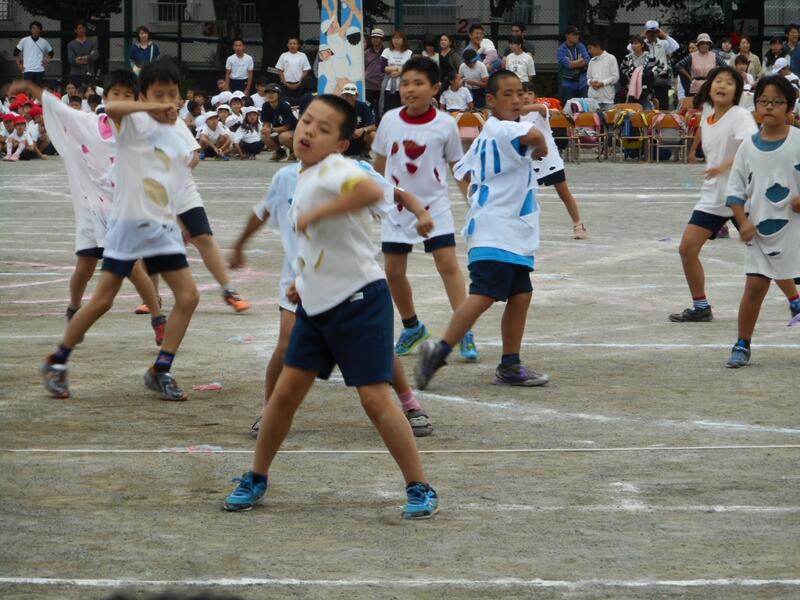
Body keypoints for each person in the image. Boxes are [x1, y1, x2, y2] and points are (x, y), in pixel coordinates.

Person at [222, 94, 439, 519]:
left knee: (375, 399)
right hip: (317, 305)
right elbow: (318, 246)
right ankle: (256, 476)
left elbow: (370, 190)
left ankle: (420, 486)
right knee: (284, 395)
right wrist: (302, 282)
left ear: (341, 144)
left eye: (323, 129)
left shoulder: (338, 170)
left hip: (361, 302)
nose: (308, 131)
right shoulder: (297, 176)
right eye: (306, 121)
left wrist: (320, 214)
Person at [230, 161, 435, 439]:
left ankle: (410, 404)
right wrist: (240, 244)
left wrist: (421, 213)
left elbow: (398, 194)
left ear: (341, 143)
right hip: (299, 279)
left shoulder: (355, 170)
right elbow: (263, 211)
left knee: (376, 347)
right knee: (286, 345)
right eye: (301, 132)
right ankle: (269, 410)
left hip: (349, 279)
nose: (305, 138)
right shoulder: (285, 176)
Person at [40, 59, 200, 402]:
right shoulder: (132, 122)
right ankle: (56, 361)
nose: (167, 101)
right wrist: (150, 108)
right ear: (144, 96)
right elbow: (113, 107)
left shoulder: (176, 129)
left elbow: (178, 173)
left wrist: (181, 219)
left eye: (172, 94)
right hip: (127, 225)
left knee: (189, 297)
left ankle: (160, 370)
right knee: (102, 301)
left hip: (160, 225)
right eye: (158, 94)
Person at [415, 69, 550, 390]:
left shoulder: (486, 133)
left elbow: (461, 170)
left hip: (506, 231)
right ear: (490, 100)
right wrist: (541, 148)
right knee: (484, 294)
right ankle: (439, 351)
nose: (517, 100)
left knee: (521, 294)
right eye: (508, 94)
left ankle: (510, 364)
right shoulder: (504, 128)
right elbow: (534, 136)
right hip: (497, 232)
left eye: (520, 93)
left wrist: (474, 200)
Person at [12, 72, 164, 339]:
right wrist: (28, 86)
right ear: (105, 98)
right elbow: (57, 107)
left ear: (135, 100)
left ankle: (158, 318)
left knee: (133, 268)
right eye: (115, 94)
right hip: (91, 208)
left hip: (122, 211)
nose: (121, 100)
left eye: (128, 96)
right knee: (84, 269)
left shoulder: (138, 131)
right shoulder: (88, 123)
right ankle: (73, 308)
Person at [373, 56, 477, 361]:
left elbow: (457, 167)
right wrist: (375, 198)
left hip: (435, 206)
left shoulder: (445, 124)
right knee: (393, 271)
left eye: (418, 83)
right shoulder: (389, 120)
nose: (410, 89)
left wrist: (473, 202)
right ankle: (412, 327)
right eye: (405, 83)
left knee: (447, 264)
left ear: (434, 89)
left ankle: (464, 330)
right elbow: (379, 164)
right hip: (397, 208)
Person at [669, 66, 757, 323]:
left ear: (737, 91)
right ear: (709, 86)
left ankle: (795, 301)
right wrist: (693, 149)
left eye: (730, 83)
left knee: (769, 254)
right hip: (713, 196)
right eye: (718, 80)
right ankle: (701, 306)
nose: (722, 86)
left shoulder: (740, 115)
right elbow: (704, 130)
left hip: (743, 196)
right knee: (687, 249)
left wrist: (723, 166)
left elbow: (751, 148)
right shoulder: (708, 110)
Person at [724, 75, 800, 368]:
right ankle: (742, 343)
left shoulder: (797, 141)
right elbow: (735, 191)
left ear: (789, 108)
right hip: (760, 231)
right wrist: (742, 222)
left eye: (777, 102)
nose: (769, 107)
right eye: (764, 101)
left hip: (795, 230)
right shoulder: (747, 147)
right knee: (754, 288)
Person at [522, 82, 587, 239]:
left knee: (564, 193)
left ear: (535, 97)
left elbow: (541, 108)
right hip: (528, 161)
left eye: (530, 93)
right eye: (522, 93)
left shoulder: (541, 110)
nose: (526, 96)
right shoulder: (514, 117)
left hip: (550, 160)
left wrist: (520, 108)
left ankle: (578, 224)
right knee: (523, 196)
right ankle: (522, 228)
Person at [637, 20, 679, 110]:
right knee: (646, 104)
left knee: (663, 104)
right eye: (649, 32)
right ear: (646, 32)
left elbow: (676, 46)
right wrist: (641, 37)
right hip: (646, 78)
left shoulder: (663, 43)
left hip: (661, 77)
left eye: (655, 32)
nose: (652, 34)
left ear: (658, 32)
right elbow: (629, 48)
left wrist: (664, 35)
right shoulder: (642, 44)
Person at [620, 34, 663, 109]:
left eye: (636, 43)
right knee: (630, 111)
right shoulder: (628, 58)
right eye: (632, 43)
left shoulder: (650, 57)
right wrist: (629, 74)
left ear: (642, 45)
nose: (634, 45)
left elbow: (661, 66)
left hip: (646, 90)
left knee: (648, 110)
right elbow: (622, 68)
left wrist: (652, 74)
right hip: (631, 89)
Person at [259, 83, 296, 161]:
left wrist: (271, 130)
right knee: (264, 135)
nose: (270, 95)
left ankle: (295, 152)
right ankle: (280, 152)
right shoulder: (265, 106)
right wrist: (265, 129)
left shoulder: (285, 106)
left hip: (293, 131)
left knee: (283, 137)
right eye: (268, 93)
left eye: (273, 93)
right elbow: (267, 124)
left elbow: (287, 127)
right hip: (279, 131)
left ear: (278, 95)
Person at [380, 31, 412, 116]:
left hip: (404, 87)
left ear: (403, 40)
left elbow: (411, 69)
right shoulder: (386, 51)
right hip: (389, 87)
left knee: (404, 112)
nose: (395, 40)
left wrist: (399, 73)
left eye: (398, 38)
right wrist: (398, 68)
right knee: (389, 112)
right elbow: (383, 68)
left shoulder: (409, 53)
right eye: (394, 38)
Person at [339, 83, 375, 157]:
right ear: (342, 96)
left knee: (373, 134)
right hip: (343, 136)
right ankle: (338, 154)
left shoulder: (363, 106)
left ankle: (365, 153)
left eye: (351, 95)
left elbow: (373, 126)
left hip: (359, 137)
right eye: (346, 95)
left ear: (356, 96)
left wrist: (362, 130)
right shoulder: (337, 106)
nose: (348, 98)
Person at [557, 26, 589, 104]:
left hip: (583, 82)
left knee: (585, 106)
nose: (577, 36)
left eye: (577, 34)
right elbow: (568, 65)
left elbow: (587, 60)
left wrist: (572, 63)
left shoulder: (580, 45)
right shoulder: (561, 49)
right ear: (568, 36)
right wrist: (580, 61)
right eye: (575, 34)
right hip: (568, 83)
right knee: (569, 106)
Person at [15, 22, 54, 86]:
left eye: (37, 28)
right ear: (31, 30)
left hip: (40, 70)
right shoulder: (24, 40)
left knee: (38, 89)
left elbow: (51, 52)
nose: (35, 30)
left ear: (40, 30)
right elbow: (16, 52)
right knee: (28, 89)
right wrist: (19, 64)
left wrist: (47, 60)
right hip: (27, 69)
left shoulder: (44, 41)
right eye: (33, 28)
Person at [586, 37, 619, 110]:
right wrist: (591, 82)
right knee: (593, 117)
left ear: (597, 47)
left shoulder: (611, 58)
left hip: (607, 98)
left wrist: (603, 83)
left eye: (590, 48)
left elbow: (615, 77)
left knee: (609, 117)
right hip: (593, 98)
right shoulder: (591, 61)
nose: (589, 51)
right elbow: (588, 78)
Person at [275, 37, 311, 106]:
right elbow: (280, 70)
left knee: (299, 104)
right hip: (286, 85)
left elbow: (305, 70)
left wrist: (299, 83)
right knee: (285, 104)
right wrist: (285, 83)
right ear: (287, 45)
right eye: (290, 44)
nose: (292, 45)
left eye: (294, 44)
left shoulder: (303, 56)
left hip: (299, 85)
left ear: (298, 45)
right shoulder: (283, 55)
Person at [67, 21, 98, 88]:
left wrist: (80, 58)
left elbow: (95, 56)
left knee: (90, 92)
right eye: (79, 28)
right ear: (75, 30)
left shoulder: (92, 42)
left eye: (83, 28)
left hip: (90, 73)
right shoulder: (71, 44)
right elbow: (71, 61)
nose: (82, 30)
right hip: (76, 74)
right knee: (76, 93)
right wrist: (88, 57)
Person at [364, 28, 385, 118]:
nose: (375, 39)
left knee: (380, 109)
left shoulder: (387, 52)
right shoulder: (366, 53)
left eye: (377, 38)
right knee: (367, 109)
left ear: (382, 39)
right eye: (373, 37)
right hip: (368, 86)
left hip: (382, 86)